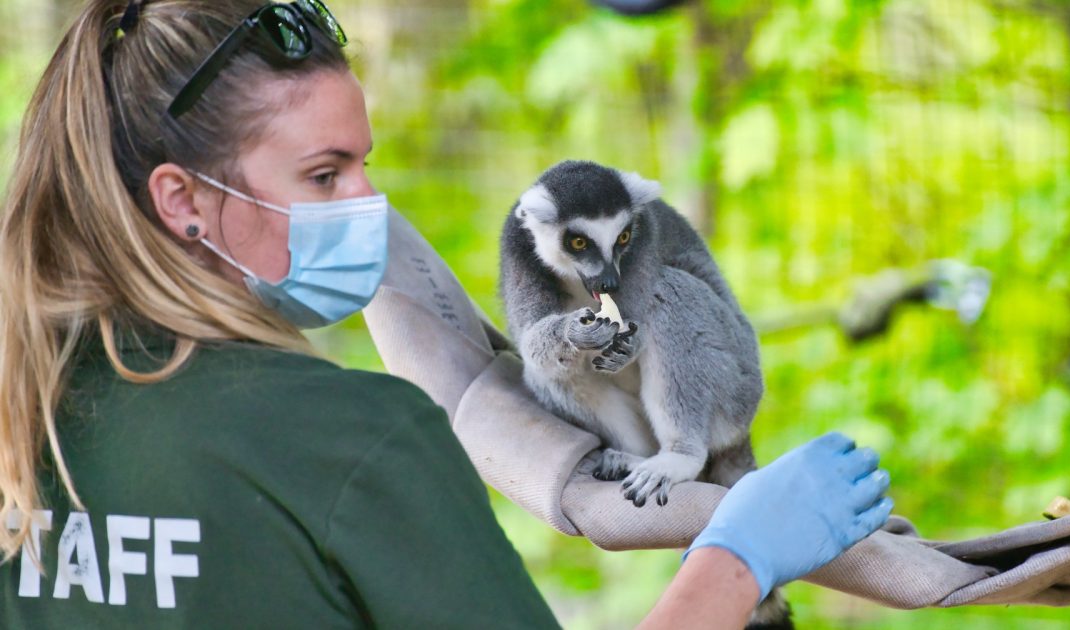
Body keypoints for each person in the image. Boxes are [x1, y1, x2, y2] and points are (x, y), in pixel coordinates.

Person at [0, 1, 893, 627]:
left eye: (363, 165)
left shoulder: (25, 406)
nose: (369, 202)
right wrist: (737, 562)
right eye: (325, 175)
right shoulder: (352, 435)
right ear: (182, 200)